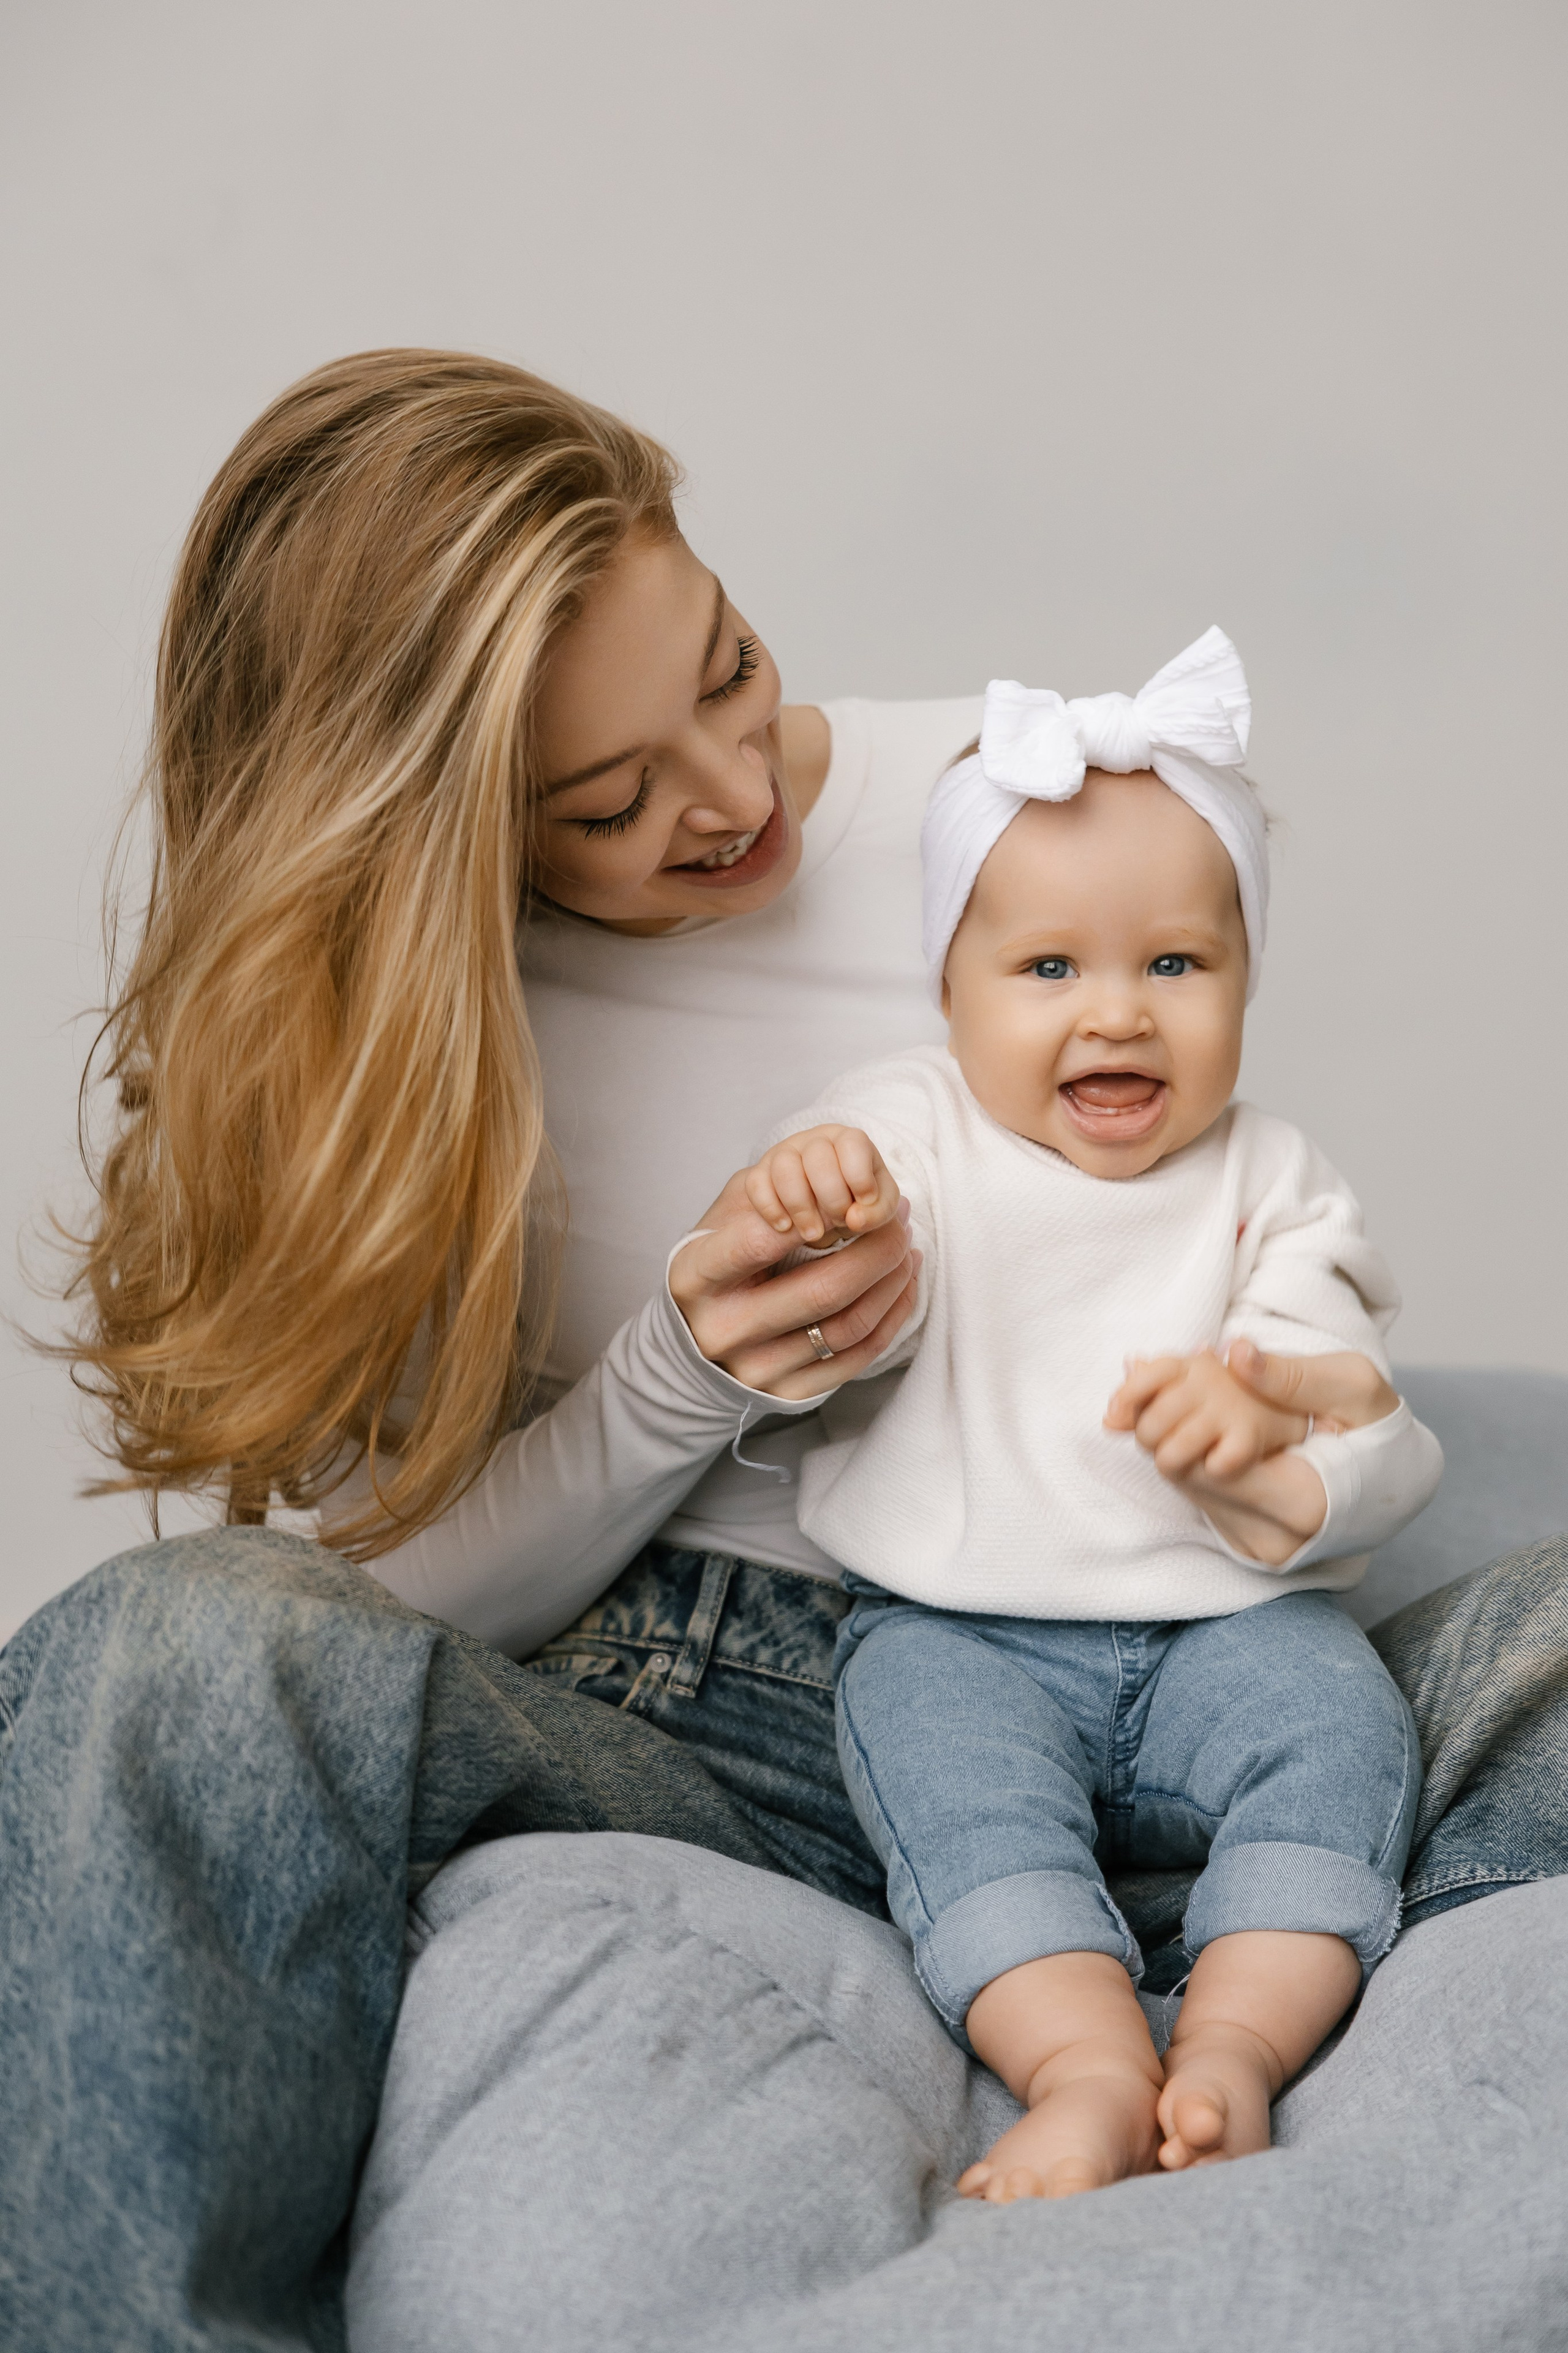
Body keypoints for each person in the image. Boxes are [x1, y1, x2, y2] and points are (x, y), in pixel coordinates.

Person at [0, 349, 1560, 2351]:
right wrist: (684, 1376)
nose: (735, 799)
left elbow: (1236, 1219)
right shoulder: (391, 1039)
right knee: (162, 1647)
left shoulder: (1012, 805)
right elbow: (378, 1609)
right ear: (432, 831)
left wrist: (1274, 1434)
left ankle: (1207, 1959)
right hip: (700, 1709)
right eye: (610, 799)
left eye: (729, 673)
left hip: (1177, 1652)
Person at [734, 630, 1441, 2201]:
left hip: (1227, 1623)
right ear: (949, 988)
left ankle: (1236, 2050)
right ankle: (1085, 2067)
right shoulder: (907, 1123)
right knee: (951, 1799)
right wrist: (798, 1202)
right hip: (956, 1628)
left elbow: (1331, 1376)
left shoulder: (1270, 1177)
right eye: (1048, 968)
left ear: (1245, 979)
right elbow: (807, 1248)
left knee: (1342, 1734)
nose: (1114, 1014)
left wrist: (1259, 1427)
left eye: (1174, 965)